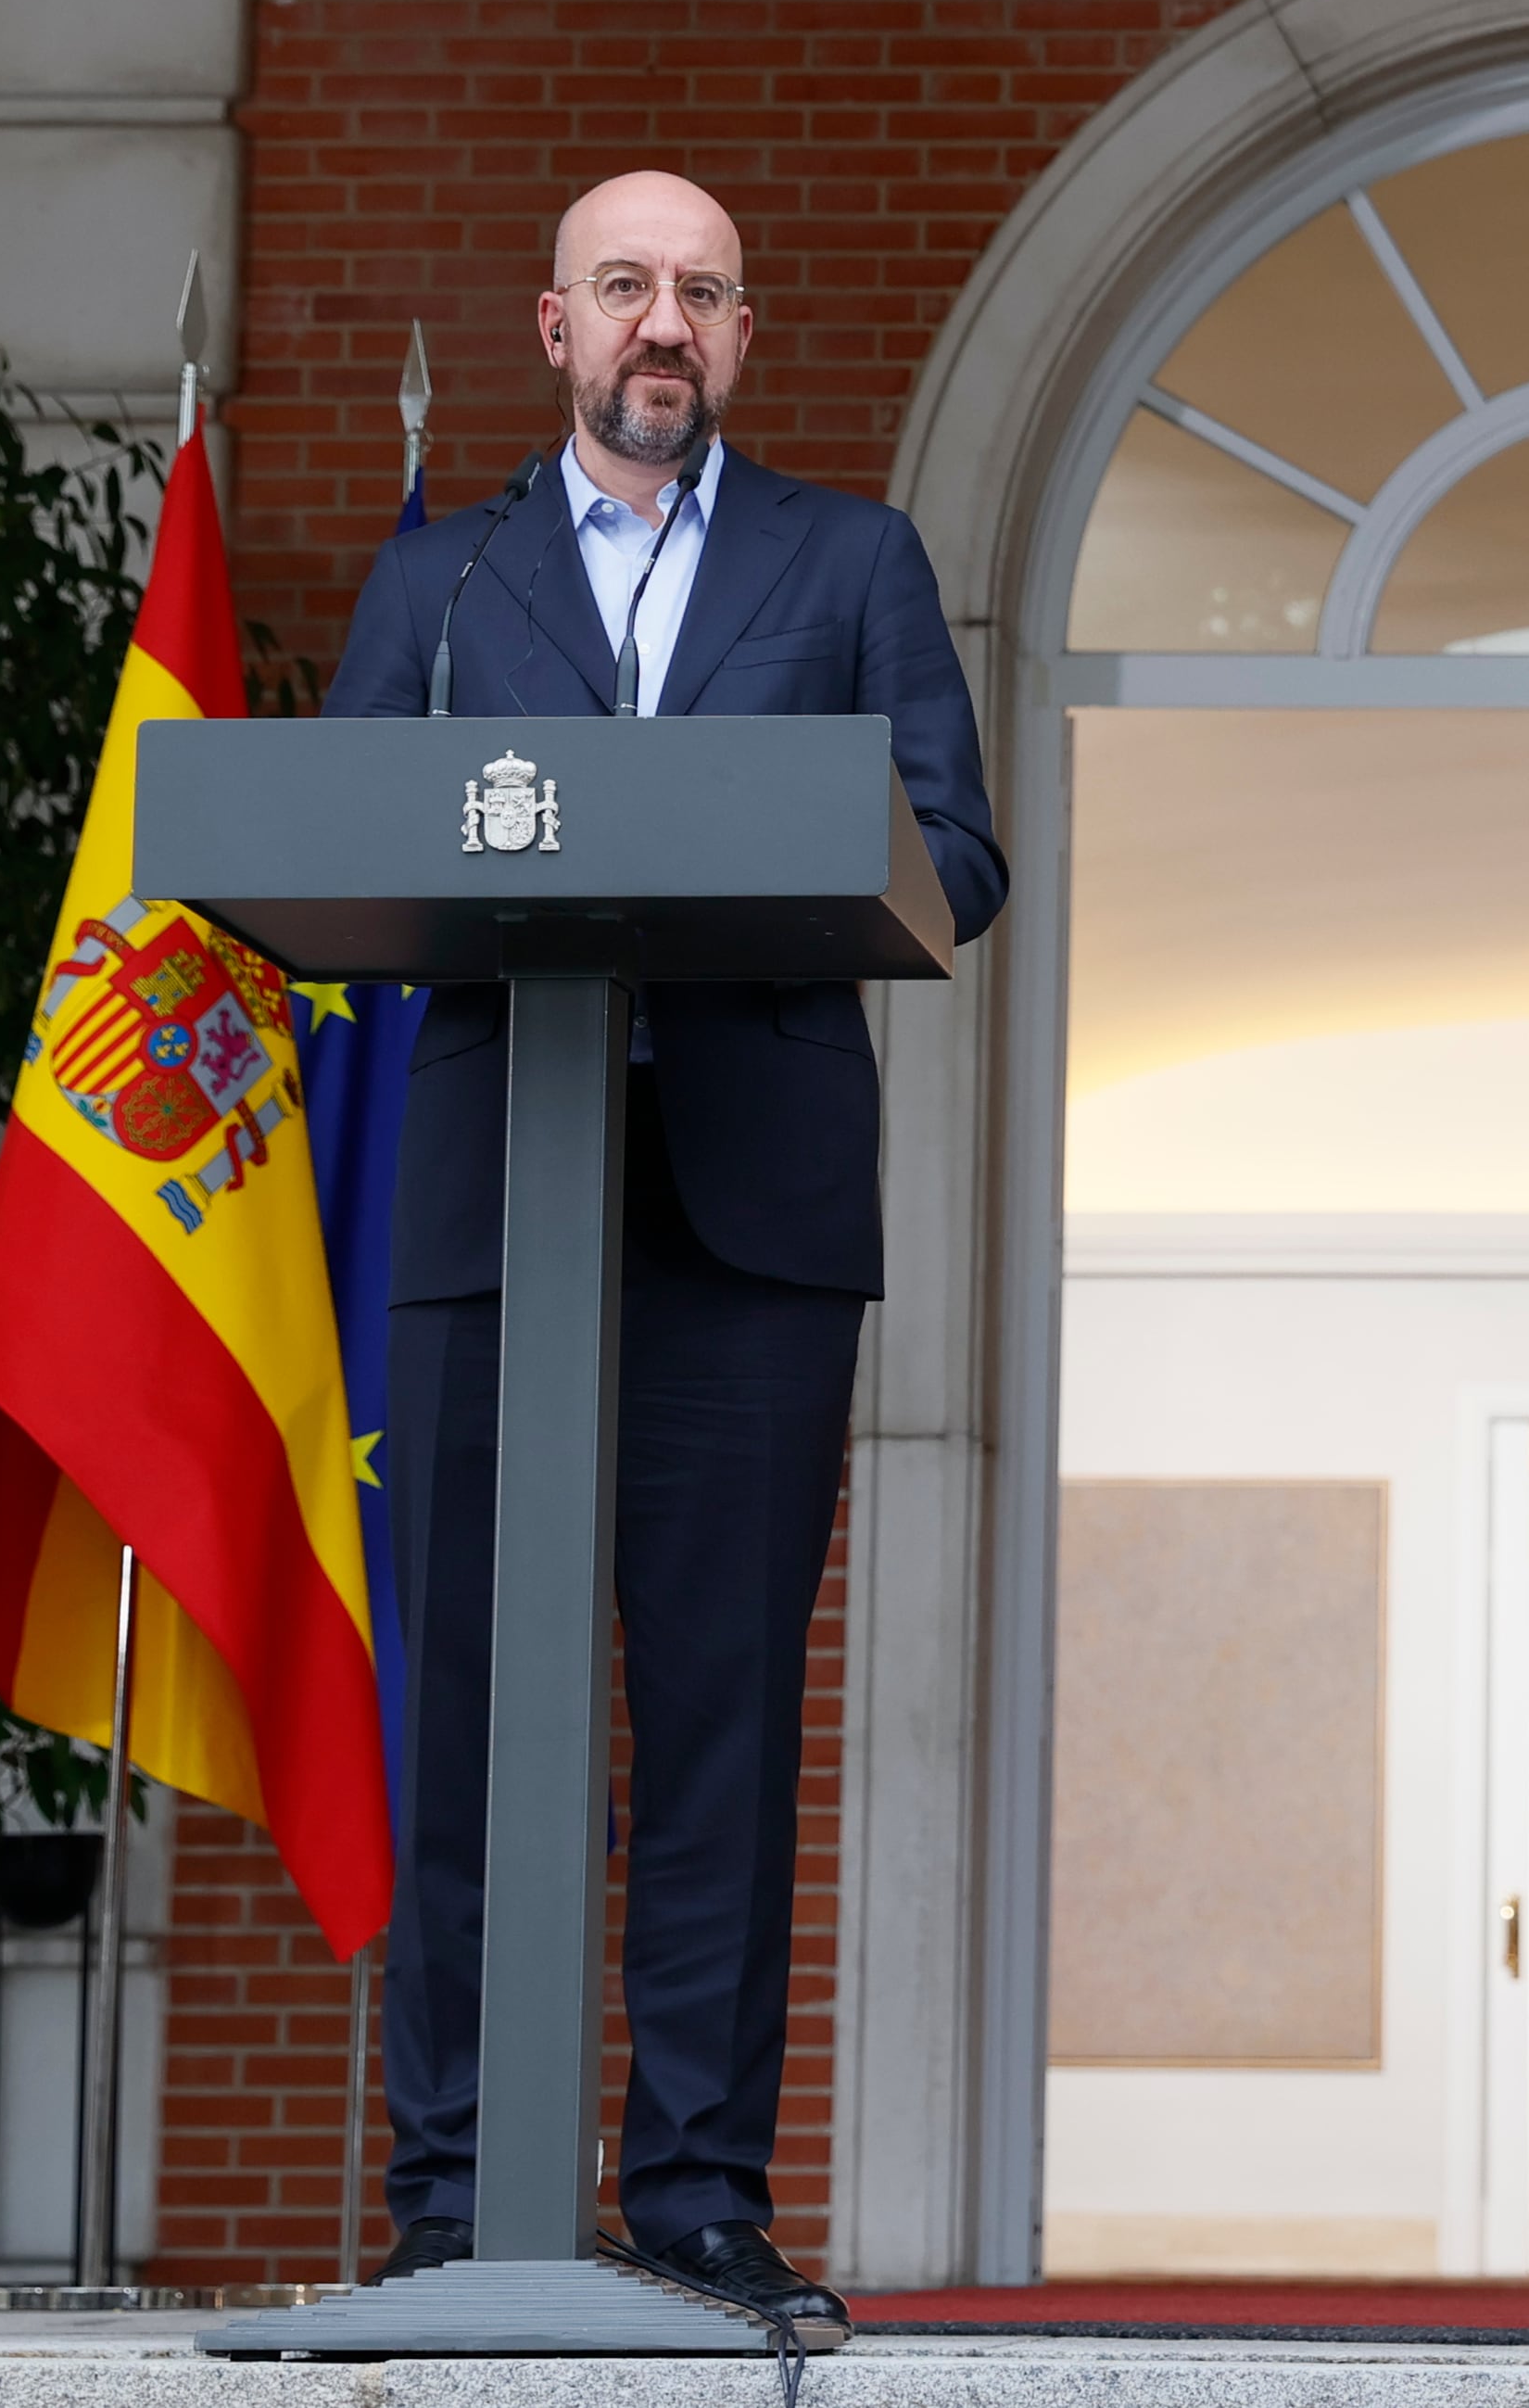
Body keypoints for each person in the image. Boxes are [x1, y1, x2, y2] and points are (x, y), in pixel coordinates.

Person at [323, 169, 1005, 2334]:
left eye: (703, 292)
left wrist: (742, 857)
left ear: (742, 334)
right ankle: (455, 2189)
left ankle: (699, 2194)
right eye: (625, 286)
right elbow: (336, 838)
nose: (662, 325)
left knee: (715, 1722)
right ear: (552, 324)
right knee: (472, 1725)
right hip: (482, 1215)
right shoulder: (440, 582)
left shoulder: (852, 561)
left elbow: (959, 853)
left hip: (752, 1211)